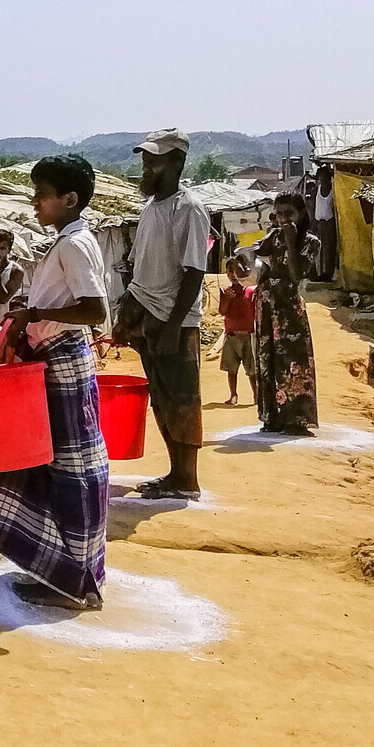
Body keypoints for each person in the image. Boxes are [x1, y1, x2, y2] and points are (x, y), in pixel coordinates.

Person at [0, 155, 110, 610]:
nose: (35, 202)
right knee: (53, 465)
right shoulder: (72, 240)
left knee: (70, 471)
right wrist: (32, 306)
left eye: (43, 194)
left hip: (63, 363)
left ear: (69, 199)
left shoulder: (74, 244)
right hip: (59, 360)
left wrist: (35, 314)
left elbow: (93, 310)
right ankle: (63, 573)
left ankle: (75, 579)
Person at [122, 129, 209, 501]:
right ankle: (175, 473)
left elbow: (194, 272)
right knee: (161, 397)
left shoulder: (188, 209)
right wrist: (128, 318)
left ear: (177, 163)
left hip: (175, 319)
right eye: (145, 160)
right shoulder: (151, 208)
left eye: (154, 161)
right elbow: (141, 270)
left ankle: (187, 479)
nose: (146, 167)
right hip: (149, 316)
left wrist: (174, 325)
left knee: (183, 399)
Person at [251, 193, 320, 434]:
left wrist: (291, 241)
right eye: (279, 214)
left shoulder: (311, 242)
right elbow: (255, 257)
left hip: (289, 306)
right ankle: (271, 418)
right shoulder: (272, 237)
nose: (283, 219)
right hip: (267, 305)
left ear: (300, 214)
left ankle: (296, 419)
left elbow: (296, 275)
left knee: (294, 361)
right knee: (267, 358)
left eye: (288, 214)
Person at [218, 257, 259, 407]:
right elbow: (222, 312)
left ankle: (256, 395)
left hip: (248, 335)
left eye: (236, 271)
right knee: (231, 370)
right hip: (231, 336)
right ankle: (233, 395)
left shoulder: (251, 292)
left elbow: (256, 312)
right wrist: (227, 299)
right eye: (230, 271)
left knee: (252, 370)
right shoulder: (224, 291)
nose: (233, 275)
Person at [313, 165, 338, 282]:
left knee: (328, 249)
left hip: (329, 222)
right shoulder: (317, 190)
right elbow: (312, 206)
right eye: (320, 176)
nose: (322, 179)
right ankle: (320, 272)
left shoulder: (333, 190)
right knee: (318, 249)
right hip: (319, 222)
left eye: (324, 176)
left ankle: (328, 273)